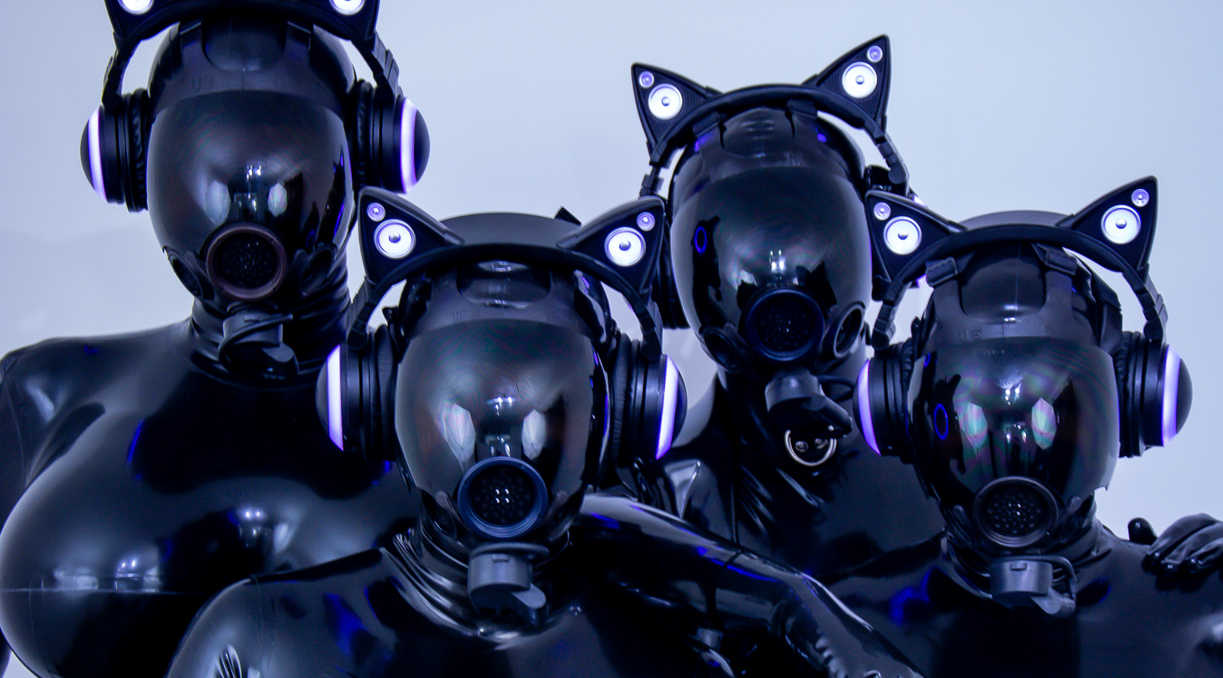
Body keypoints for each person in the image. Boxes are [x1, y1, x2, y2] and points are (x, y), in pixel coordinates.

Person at [166, 190, 923, 678]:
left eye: (545, 401)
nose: (502, 448)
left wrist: (792, 602)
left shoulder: (685, 646)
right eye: (461, 398)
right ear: (376, 403)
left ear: (620, 417)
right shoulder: (261, 638)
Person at [626, 38, 1223, 582]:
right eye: (729, 245)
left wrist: (1141, 583)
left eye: (817, 237)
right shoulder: (659, 497)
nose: (779, 285)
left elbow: (1034, 596)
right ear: (667, 283)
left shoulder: (958, 440)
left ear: (881, 253)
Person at [0, 0, 425, 678]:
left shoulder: (451, 422)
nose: (245, 200)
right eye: (202, 151)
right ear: (129, 165)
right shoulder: (41, 394)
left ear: (372, 155)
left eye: (286, 150)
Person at [835, 179, 1223, 676]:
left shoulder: (1197, 611)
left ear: (1133, 403)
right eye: (975, 416)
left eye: (1050, 416)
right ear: (898, 415)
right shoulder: (846, 622)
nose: (1013, 453)